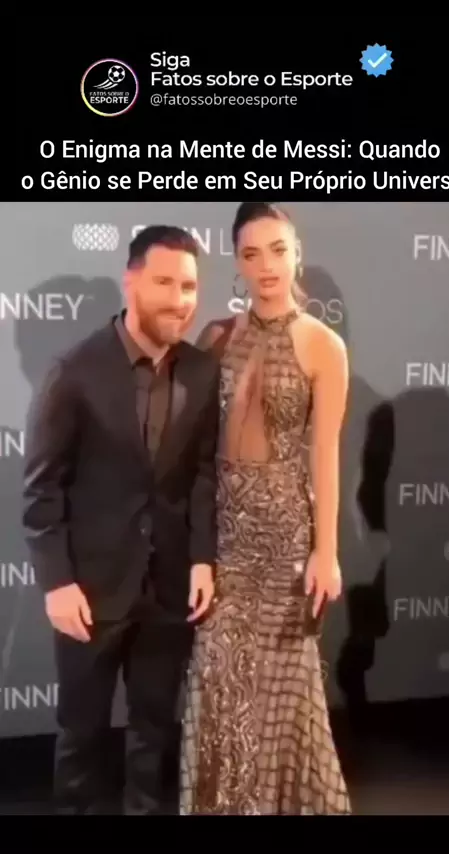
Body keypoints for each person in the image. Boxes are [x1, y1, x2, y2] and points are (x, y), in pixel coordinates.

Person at [22, 225, 219, 815]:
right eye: (165, 283)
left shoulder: (203, 371)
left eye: (189, 287)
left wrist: (203, 558)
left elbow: (204, 473)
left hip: (169, 587)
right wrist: (58, 582)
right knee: (81, 734)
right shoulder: (75, 370)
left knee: (153, 731)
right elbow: (42, 489)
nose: (180, 300)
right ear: (130, 282)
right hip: (89, 590)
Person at [179, 202, 352, 815]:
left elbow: (325, 455)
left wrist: (326, 551)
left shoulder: (323, 345)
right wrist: (199, 549)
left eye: (278, 250)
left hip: (285, 540)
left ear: (296, 253)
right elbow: (197, 451)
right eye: (251, 254)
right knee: (218, 685)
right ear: (238, 263)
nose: (267, 265)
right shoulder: (216, 337)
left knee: (282, 694)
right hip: (226, 540)